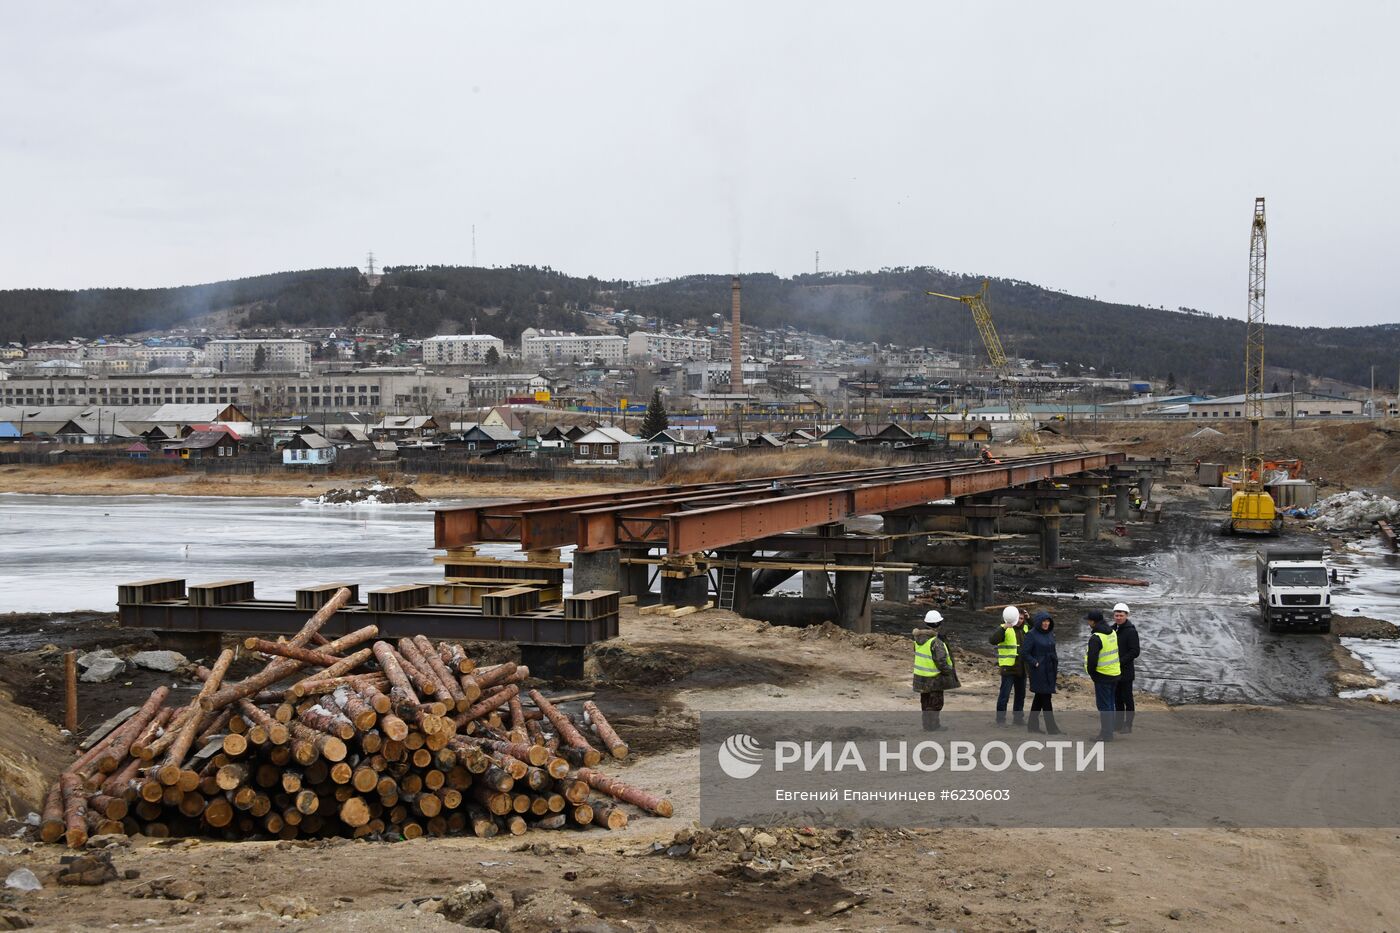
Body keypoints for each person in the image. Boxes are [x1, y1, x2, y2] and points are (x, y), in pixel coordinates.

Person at [912, 610, 959, 731]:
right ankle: (933, 726)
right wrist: (948, 671)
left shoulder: (918, 639)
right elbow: (941, 661)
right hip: (934, 678)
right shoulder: (935, 642)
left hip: (920, 677)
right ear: (938, 624)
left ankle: (927, 725)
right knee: (935, 703)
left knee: (925, 702)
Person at [1021, 610, 1062, 734]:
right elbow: (1024, 653)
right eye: (1043, 621)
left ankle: (1032, 726)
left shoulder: (1050, 633)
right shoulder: (1031, 634)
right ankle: (1052, 728)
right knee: (1046, 698)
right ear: (1039, 622)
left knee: (1039, 698)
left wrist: (1055, 663)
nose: (1046, 623)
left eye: (1048, 621)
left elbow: (1053, 649)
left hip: (1050, 669)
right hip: (1038, 671)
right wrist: (1035, 662)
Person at [1084, 610, 1121, 740]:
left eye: (1088, 620)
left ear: (1093, 622)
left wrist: (1092, 674)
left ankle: (1106, 734)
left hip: (1103, 675)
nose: (1088, 623)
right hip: (1114, 673)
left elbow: (1092, 660)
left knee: (1104, 706)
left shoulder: (1096, 638)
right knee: (1110, 704)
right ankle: (1109, 731)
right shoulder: (1112, 632)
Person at [990, 605, 1027, 726]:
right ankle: (1000, 720)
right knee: (1004, 695)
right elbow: (992, 640)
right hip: (1008, 668)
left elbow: (1037, 629)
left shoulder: (1025, 629)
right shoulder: (1004, 629)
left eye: (1022, 618)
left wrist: (1029, 618)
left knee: (1020, 696)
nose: (1020, 620)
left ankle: (1018, 719)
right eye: (1019, 618)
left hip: (1022, 668)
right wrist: (1004, 627)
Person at [1111, 602, 1140, 733]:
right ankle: (1118, 724)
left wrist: (1120, 662)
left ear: (1126, 615)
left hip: (1126, 671)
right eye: (1116, 615)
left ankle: (1128, 725)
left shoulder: (1131, 631)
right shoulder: (1111, 630)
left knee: (1127, 699)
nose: (1118, 618)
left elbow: (1135, 651)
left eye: (1121, 615)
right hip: (1114, 671)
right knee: (1117, 698)